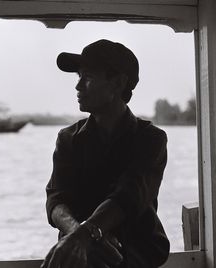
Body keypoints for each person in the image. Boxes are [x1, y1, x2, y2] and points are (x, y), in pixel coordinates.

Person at [41, 39, 170, 268]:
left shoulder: (151, 139)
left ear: (118, 83)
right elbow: (56, 199)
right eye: (78, 76)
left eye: (88, 77)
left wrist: (85, 237)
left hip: (137, 253)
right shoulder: (68, 138)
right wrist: (80, 236)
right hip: (82, 257)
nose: (78, 86)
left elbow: (128, 196)